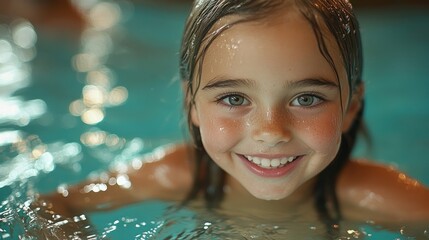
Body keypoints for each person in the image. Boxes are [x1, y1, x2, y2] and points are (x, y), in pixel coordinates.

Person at [35, 0, 429, 237]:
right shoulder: (178, 176)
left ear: (352, 107)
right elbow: (51, 207)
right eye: (235, 97)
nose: (270, 132)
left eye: (306, 98)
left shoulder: (374, 195)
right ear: (192, 103)